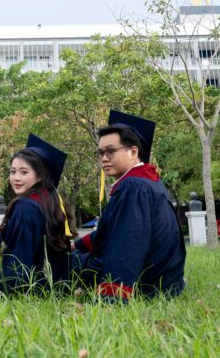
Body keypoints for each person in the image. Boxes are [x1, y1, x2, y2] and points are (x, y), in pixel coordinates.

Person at [71, 110, 186, 301]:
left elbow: (127, 243)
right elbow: (111, 230)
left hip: (147, 285)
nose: (104, 158)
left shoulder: (133, 187)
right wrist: (75, 245)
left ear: (133, 151)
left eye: (110, 151)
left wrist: (114, 295)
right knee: (74, 253)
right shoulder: (147, 182)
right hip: (165, 279)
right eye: (100, 153)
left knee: (61, 262)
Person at [0, 134, 73, 293]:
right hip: (55, 287)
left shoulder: (26, 207)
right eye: (12, 172)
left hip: (31, 289)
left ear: (39, 175)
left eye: (24, 172)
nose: (16, 178)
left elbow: (16, 266)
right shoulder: (50, 202)